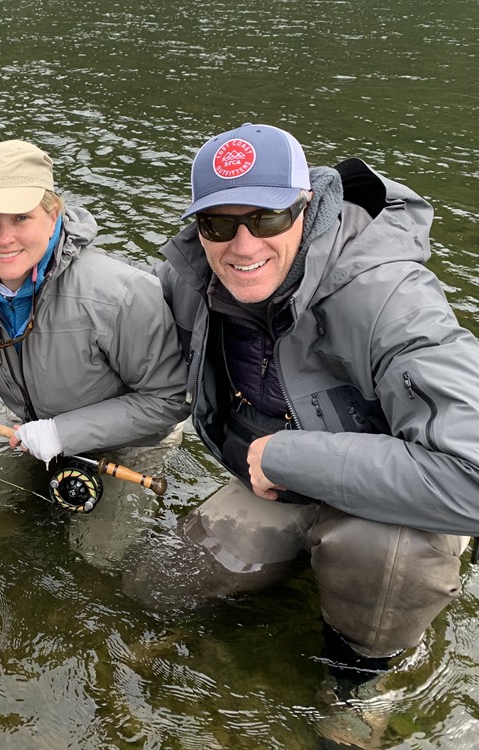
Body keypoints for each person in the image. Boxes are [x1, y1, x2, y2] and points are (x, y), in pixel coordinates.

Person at [149, 123, 479, 695]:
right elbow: (120, 339)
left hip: (383, 501)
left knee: (380, 553)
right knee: (154, 586)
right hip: (276, 482)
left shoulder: (390, 296)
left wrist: (287, 456)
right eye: (219, 222)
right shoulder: (190, 277)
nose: (243, 245)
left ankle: (361, 680)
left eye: (268, 218)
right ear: (197, 227)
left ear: (309, 207)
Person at [0, 139, 189, 470]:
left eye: (21, 217)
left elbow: (167, 401)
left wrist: (62, 433)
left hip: (129, 444)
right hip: (28, 431)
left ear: (53, 217)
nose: (5, 239)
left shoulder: (124, 294)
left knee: (101, 525)